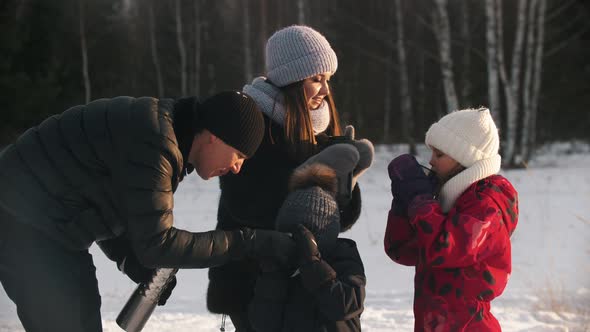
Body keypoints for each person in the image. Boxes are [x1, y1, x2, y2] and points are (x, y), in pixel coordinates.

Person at [0, 91, 296, 332]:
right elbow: (159, 244)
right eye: (239, 154)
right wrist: (247, 242)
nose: (237, 167)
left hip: (47, 225)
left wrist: (130, 257)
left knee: (80, 316)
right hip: (23, 218)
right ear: (214, 137)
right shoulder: (156, 142)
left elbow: (97, 196)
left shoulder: (162, 136)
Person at [206, 25, 374, 331]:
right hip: (251, 278)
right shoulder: (251, 125)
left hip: (303, 277)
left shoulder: (318, 129)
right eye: (315, 79)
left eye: (327, 80)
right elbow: (244, 204)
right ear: (291, 79)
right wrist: (312, 177)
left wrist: (346, 181)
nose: (324, 90)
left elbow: (337, 221)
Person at [384, 107, 519, 331]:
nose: (431, 161)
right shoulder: (448, 201)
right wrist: (403, 201)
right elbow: (403, 249)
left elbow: (445, 246)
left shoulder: (488, 202)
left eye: (439, 154)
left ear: (464, 159)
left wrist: (420, 200)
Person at [248, 143, 367, 332]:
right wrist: (273, 276)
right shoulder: (283, 263)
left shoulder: (344, 255)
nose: (291, 241)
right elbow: (262, 323)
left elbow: (346, 305)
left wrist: (312, 263)